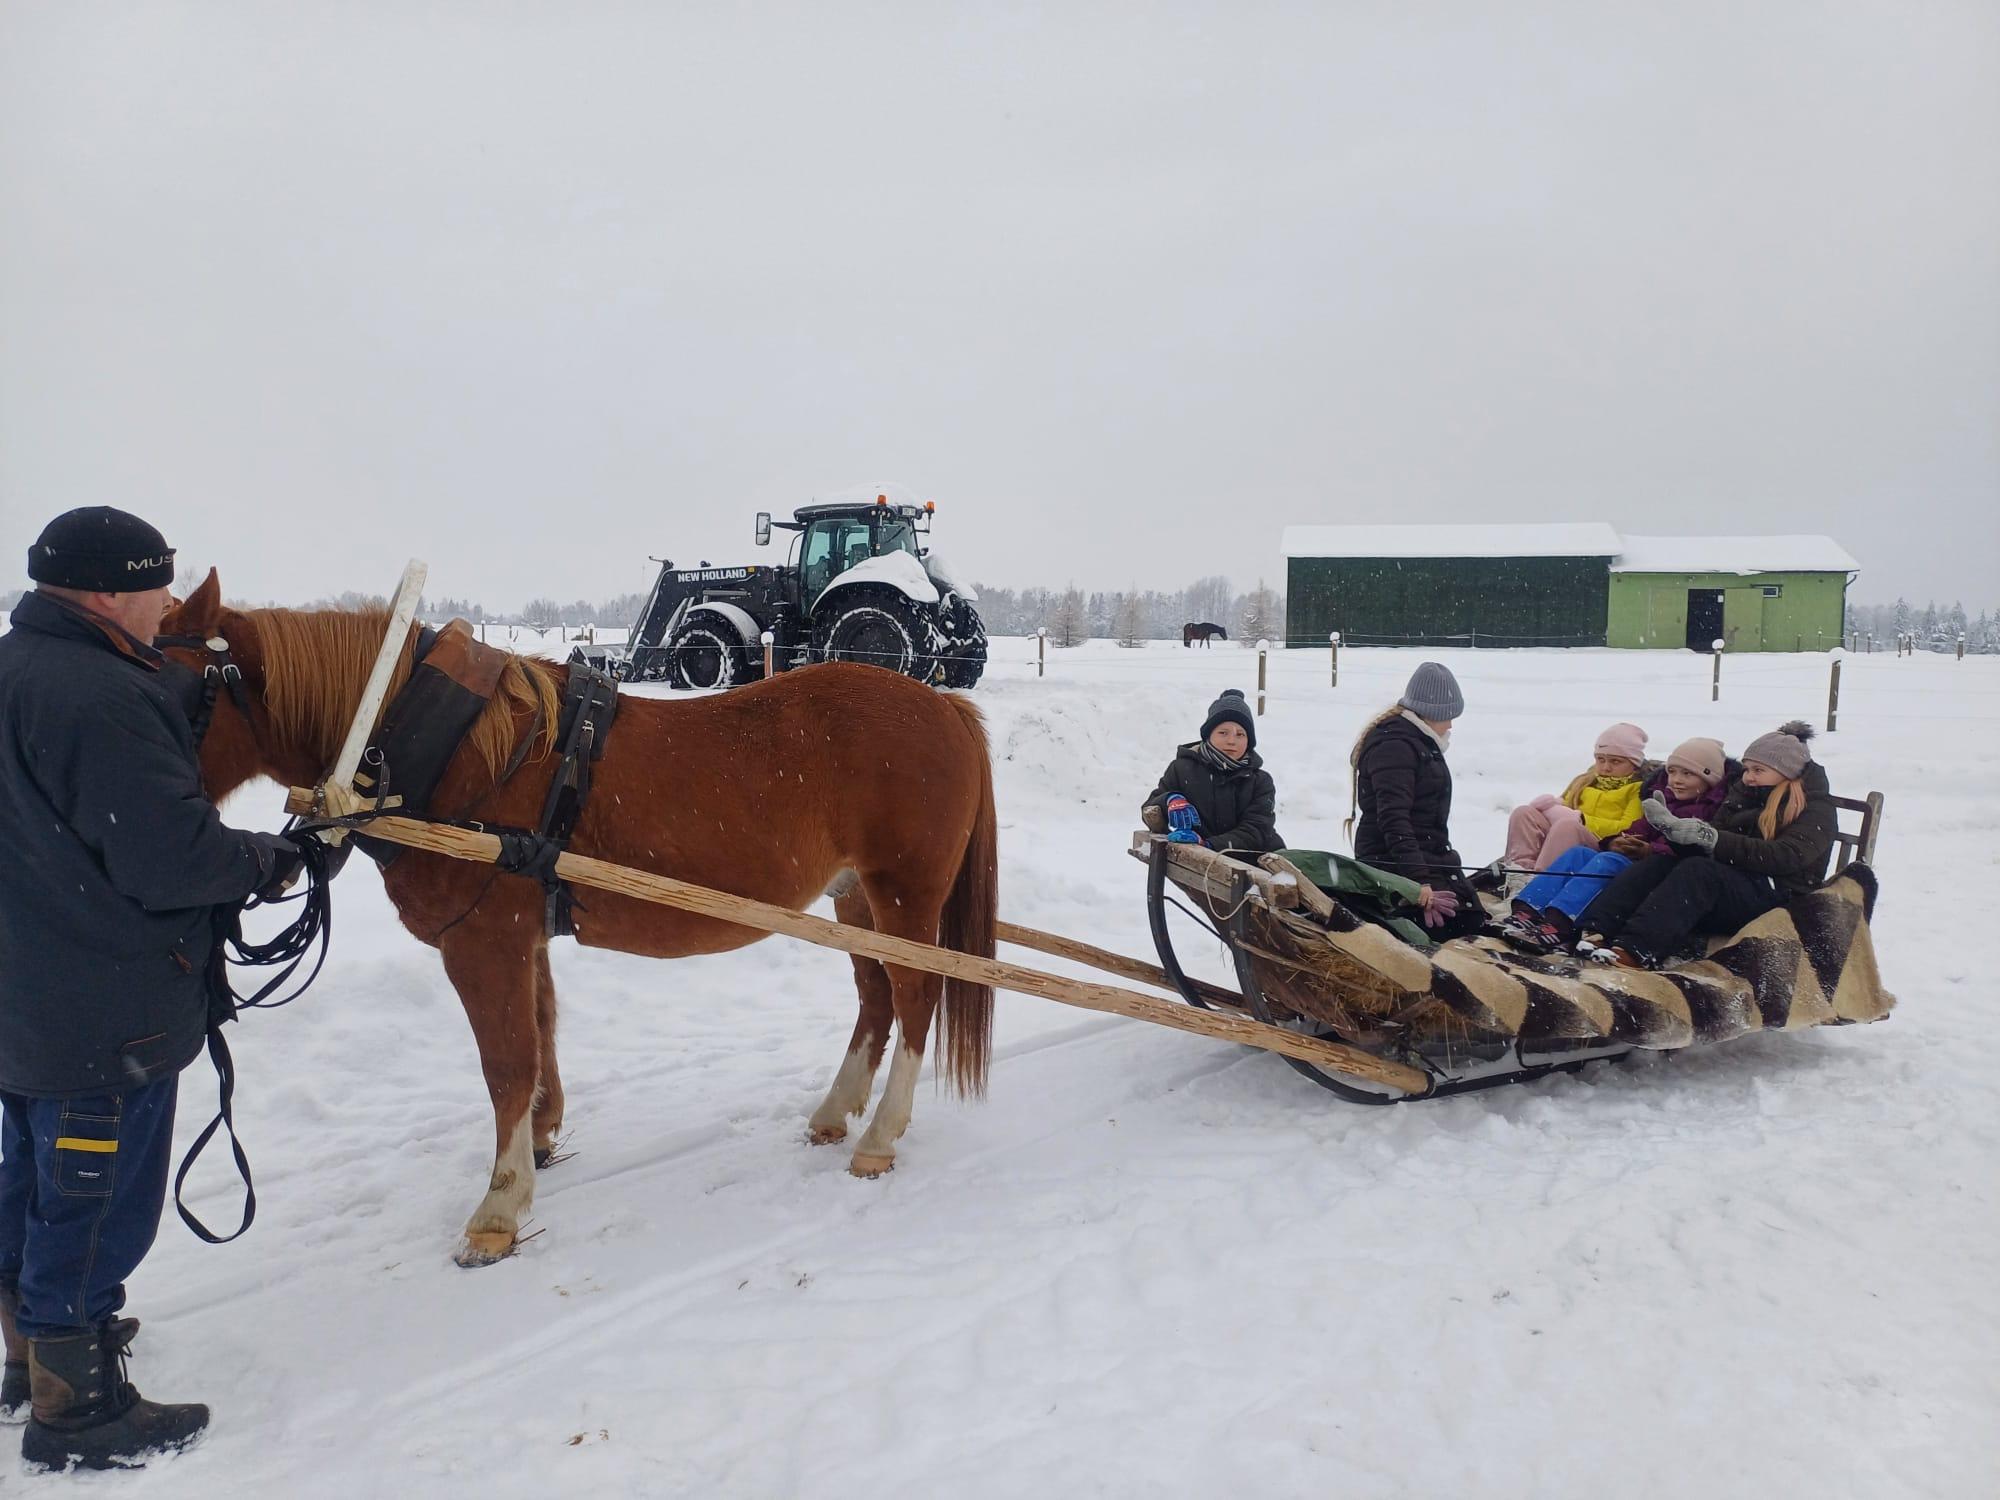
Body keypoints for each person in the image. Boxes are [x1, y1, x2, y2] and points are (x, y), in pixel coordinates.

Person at [0, 507, 307, 1470]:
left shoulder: (18, 667)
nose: (168, 603)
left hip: (29, 995)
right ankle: (77, 1410)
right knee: (93, 1203)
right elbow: (169, 858)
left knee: (32, 1175)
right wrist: (269, 861)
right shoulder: (101, 697)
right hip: (106, 1009)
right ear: (105, 591)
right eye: (156, 586)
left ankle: (31, 1350)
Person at [1575, 722, 1836, 969]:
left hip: (1778, 894)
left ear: (1787, 772)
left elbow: (1786, 856)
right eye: (1747, 769)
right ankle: (1596, 930)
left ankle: (1637, 950)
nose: (1748, 777)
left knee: (1700, 872)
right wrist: (1678, 835)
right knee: (1662, 862)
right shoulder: (1745, 795)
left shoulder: (1815, 807)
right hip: (1737, 885)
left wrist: (1712, 838)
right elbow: (1716, 839)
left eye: (1758, 771)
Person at [1495, 737, 1730, 954]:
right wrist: (1618, 840)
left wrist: (1649, 850)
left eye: (1687, 774)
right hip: (1639, 860)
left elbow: (1693, 851)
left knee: (1606, 861)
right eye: (1672, 772)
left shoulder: (1711, 812)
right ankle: (1527, 909)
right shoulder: (1665, 800)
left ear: (1708, 778)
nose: (1677, 780)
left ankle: (1561, 923)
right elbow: (1640, 827)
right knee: (1579, 854)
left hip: (1658, 872)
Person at [1344, 662, 1482, 939]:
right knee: (1458, 927)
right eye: (1448, 717)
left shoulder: (1417, 741)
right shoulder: (1395, 747)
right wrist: (1418, 883)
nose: (1451, 724)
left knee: (1473, 918)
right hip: (1392, 864)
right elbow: (1394, 820)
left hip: (1424, 856)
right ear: (1432, 712)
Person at [1141, 689, 1283, 858]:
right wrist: (1169, 800)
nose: (1231, 741)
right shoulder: (1181, 769)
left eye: (1240, 734)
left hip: (1256, 863)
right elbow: (1149, 808)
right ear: (1208, 735)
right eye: (1223, 733)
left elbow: (1256, 831)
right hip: (1197, 864)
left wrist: (1209, 845)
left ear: (1249, 741)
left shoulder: (1260, 781)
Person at [1493, 723, 1651, 874]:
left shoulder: (1638, 789)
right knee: (1524, 813)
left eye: (1615, 761)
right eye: (1600, 759)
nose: (1605, 767)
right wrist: (1552, 806)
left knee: (1567, 825)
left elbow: (1629, 827)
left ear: (1634, 763)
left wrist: (1582, 820)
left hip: (1602, 845)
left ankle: (1543, 878)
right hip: (1564, 837)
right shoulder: (1585, 781)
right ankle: (1519, 871)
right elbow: (1565, 806)